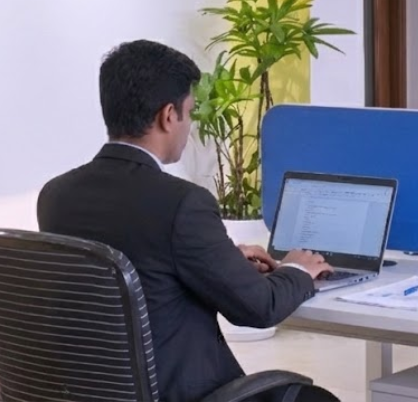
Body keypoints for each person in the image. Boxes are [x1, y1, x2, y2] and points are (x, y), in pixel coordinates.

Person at [37, 39, 339, 402]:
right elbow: (259, 307)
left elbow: (142, 266)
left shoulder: (56, 196)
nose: (190, 125)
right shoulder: (182, 203)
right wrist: (297, 269)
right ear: (168, 115)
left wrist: (221, 257)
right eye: (190, 112)